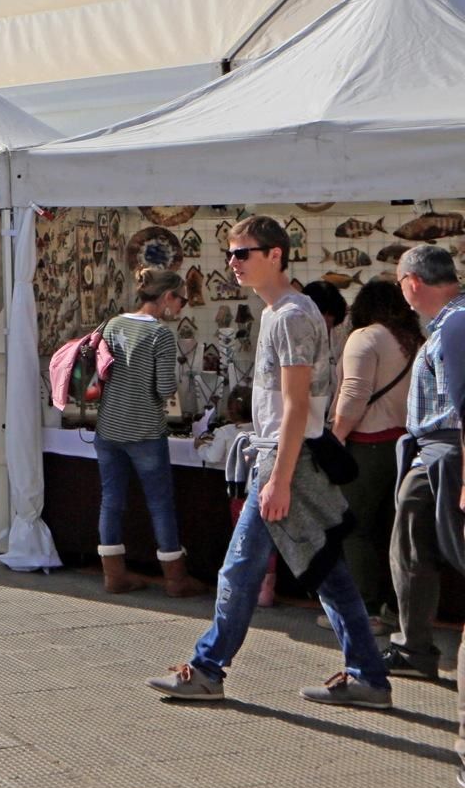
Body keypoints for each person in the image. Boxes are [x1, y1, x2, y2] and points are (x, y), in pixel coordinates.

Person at [146, 215, 389, 707]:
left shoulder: (291, 315)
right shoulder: (284, 311)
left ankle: (208, 669)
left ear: (276, 255)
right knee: (325, 570)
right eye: (230, 253)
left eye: (243, 253)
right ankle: (368, 676)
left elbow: (298, 406)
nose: (233, 262)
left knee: (243, 570)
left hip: (287, 459)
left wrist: (278, 477)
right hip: (289, 456)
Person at [92, 268, 204, 597]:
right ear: (167, 297)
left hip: (108, 427)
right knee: (160, 504)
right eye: (181, 300)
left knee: (111, 500)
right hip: (144, 430)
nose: (181, 306)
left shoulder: (112, 325)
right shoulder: (161, 335)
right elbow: (165, 387)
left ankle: (114, 576)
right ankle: (175, 579)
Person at [383, 246, 465, 697]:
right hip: (437, 453)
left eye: (400, 283)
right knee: (414, 550)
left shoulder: (455, 323)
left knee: (417, 553)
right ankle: (412, 647)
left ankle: (413, 649)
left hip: (445, 453)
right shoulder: (451, 322)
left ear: (413, 282)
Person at [330, 276, 419, 629]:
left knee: (355, 529)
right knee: (394, 534)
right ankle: (400, 611)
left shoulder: (365, 337)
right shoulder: (415, 341)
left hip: (366, 446)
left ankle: (365, 611)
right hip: (406, 447)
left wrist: (336, 437)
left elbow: (353, 395)